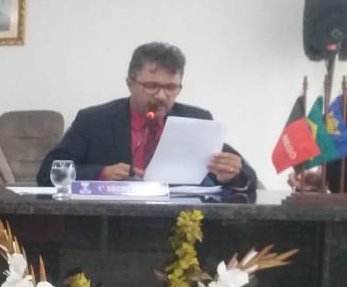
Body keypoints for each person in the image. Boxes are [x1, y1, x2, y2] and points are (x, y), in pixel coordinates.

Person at [36, 42, 257, 190]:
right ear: (129, 84)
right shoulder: (94, 121)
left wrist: (233, 174)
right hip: (110, 227)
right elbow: (47, 173)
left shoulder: (196, 120)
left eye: (171, 88)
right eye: (151, 86)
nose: (161, 96)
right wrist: (101, 174)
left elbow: (247, 179)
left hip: (180, 225)